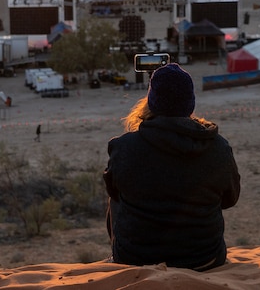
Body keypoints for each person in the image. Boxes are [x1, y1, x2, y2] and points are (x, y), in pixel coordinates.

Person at [103, 64, 241, 271]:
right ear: (190, 104)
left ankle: (118, 258)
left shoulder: (123, 146)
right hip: (205, 259)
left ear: (151, 101)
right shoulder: (218, 146)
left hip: (136, 258)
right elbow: (230, 199)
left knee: (115, 194)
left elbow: (114, 192)